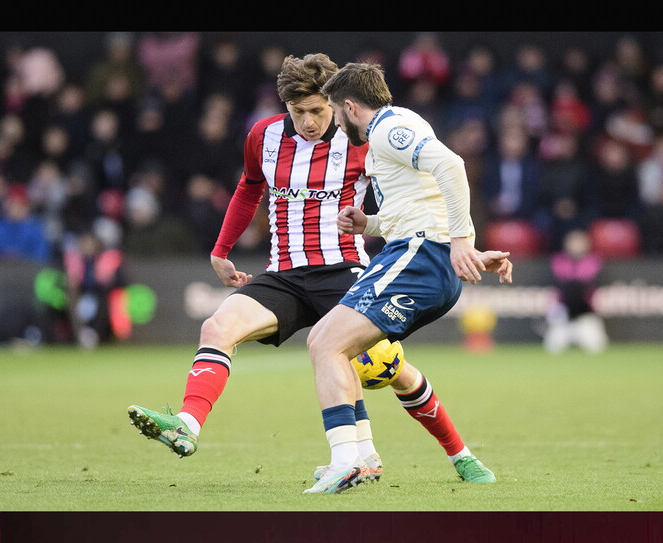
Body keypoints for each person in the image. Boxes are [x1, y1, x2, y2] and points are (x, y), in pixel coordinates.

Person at [126, 53, 498, 492]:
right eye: (297, 111)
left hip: (345, 271)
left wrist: (448, 236)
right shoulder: (262, 137)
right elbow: (249, 188)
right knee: (217, 325)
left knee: (382, 368)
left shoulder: (362, 139)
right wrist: (222, 249)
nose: (308, 121)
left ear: (337, 104)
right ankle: (188, 423)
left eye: (318, 111)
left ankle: (458, 453)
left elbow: (420, 186)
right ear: (285, 106)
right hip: (283, 273)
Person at [302, 61, 513, 494]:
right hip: (415, 251)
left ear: (347, 106)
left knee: (326, 343)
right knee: (341, 348)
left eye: (336, 118)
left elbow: (451, 167)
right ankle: (363, 458)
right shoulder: (395, 129)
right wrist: (370, 225)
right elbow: (419, 199)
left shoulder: (386, 129)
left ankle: (349, 460)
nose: (337, 128)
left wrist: (460, 241)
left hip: (421, 256)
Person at [542, 229, 608, 354]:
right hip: (563, 312)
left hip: (585, 313)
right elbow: (561, 284)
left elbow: (586, 283)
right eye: (573, 243)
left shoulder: (593, 261)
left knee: (597, 347)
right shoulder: (559, 261)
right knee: (553, 347)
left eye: (579, 243)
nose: (576, 246)